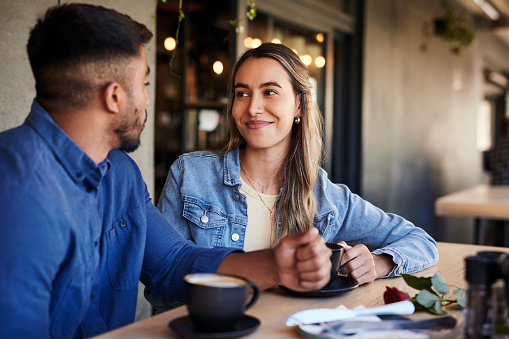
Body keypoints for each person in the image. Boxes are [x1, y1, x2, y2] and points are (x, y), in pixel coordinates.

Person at [0, 5, 332, 339]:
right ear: (114, 96)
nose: (147, 100)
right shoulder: (15, 188)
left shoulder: (121, 174)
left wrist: (276, 265)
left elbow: (172, 262)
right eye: (144, 84)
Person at [148, 42, 439, 311]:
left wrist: (378, 262)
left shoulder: (326, 196)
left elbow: (420, 242)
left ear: (299, 104)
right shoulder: (191, 175)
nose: (252, 108)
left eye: (270, 91)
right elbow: (162, 286)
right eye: (242, 93)